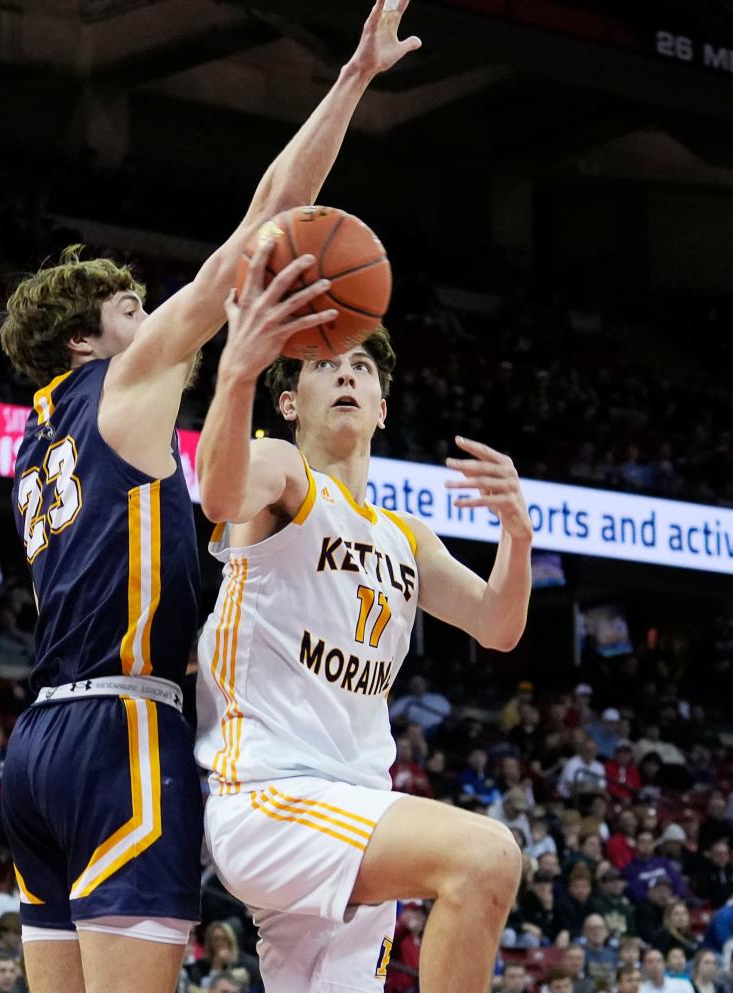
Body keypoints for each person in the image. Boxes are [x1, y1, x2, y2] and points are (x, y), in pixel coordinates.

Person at [0, 5, 423, 993]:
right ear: (83, 340)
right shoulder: (123, 383)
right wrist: (354, 78)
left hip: (34, 750)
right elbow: (266, 217)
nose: (156, 321)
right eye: (132, 309)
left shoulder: (34, 439)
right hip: (122, 735)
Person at [193, 198, 530, 993]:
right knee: (486, 857)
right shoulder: (283, 472)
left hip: (351, 810)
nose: (346, 372)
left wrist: (518, 532)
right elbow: (216, 490)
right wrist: (238, 368)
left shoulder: (404, 536)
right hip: (271, 798)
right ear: (288, 401)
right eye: (322, 364)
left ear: (381, 406)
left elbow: (500, 626)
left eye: (363, 368)